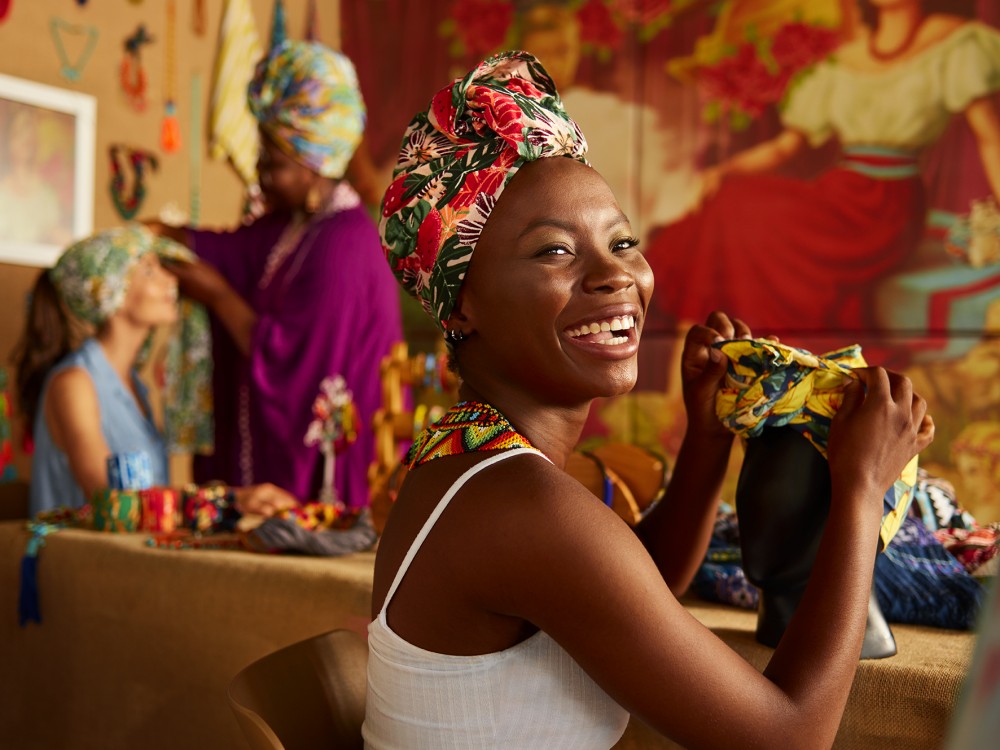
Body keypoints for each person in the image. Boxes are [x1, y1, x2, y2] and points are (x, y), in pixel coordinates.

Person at [363, 51, 934, 748]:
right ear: (463, 304)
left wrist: (706, 437)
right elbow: (789, 738)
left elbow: (635, 588)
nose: (616, 276)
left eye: (623, 241)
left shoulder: (471, 457)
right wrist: (861, 489)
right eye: (553, 251)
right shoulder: (521, 504)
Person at [643, 0, 1000, 365]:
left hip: (888, 207)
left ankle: (743, 350)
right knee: (728, 202)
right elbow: (784, 147)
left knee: (736, 211)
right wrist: (723, 172)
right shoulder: (844, 58)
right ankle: (710, 356)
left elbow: (991, 138)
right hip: (840, 191)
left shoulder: (955, 43)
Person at [146, 40, 403, 509]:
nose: (260, 173)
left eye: (275, 164)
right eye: (261, 157)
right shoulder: (294, 225)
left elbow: (296, 362)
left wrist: (218, 295)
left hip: (331, 477)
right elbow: (232, 251)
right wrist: (164, 234)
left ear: (315, 165)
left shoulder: (343, 248)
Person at [11, 225, 296, 518]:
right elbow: (110, 499)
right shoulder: (74, 383)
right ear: (111, 292)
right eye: (149, 271)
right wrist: (228, 499)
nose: (170, 278)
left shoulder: (135, 386)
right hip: (68, 549)